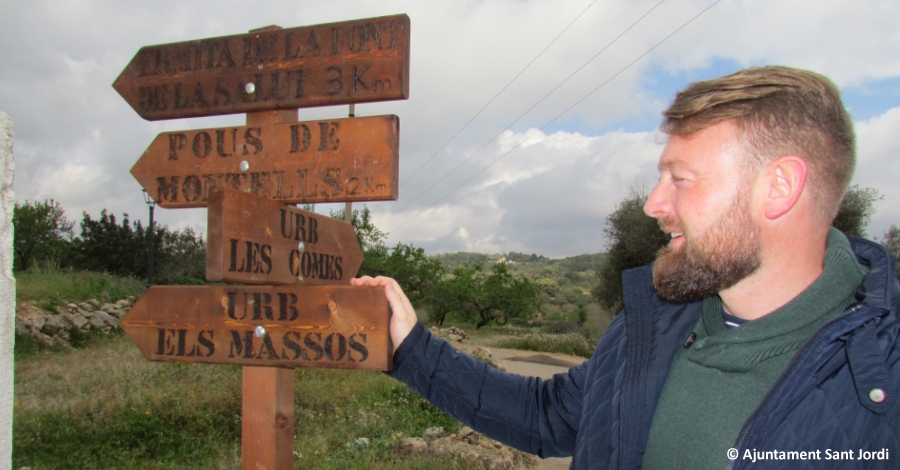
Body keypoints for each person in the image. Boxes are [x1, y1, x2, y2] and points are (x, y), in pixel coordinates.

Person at [351, 66, 900, 469]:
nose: (653, 204)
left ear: (779, 187)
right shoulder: (655, 325)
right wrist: (411, 347)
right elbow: (546, 415)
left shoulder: (883, 377)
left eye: (680, 178)